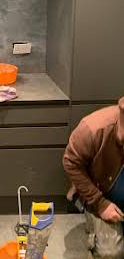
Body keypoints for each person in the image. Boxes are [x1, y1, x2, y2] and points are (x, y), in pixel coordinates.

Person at [63, 96, 124, 258]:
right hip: (100, 195)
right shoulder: (93, 128)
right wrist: (100, 204)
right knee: (111, 253)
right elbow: (70, 163)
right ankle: (94, 225)